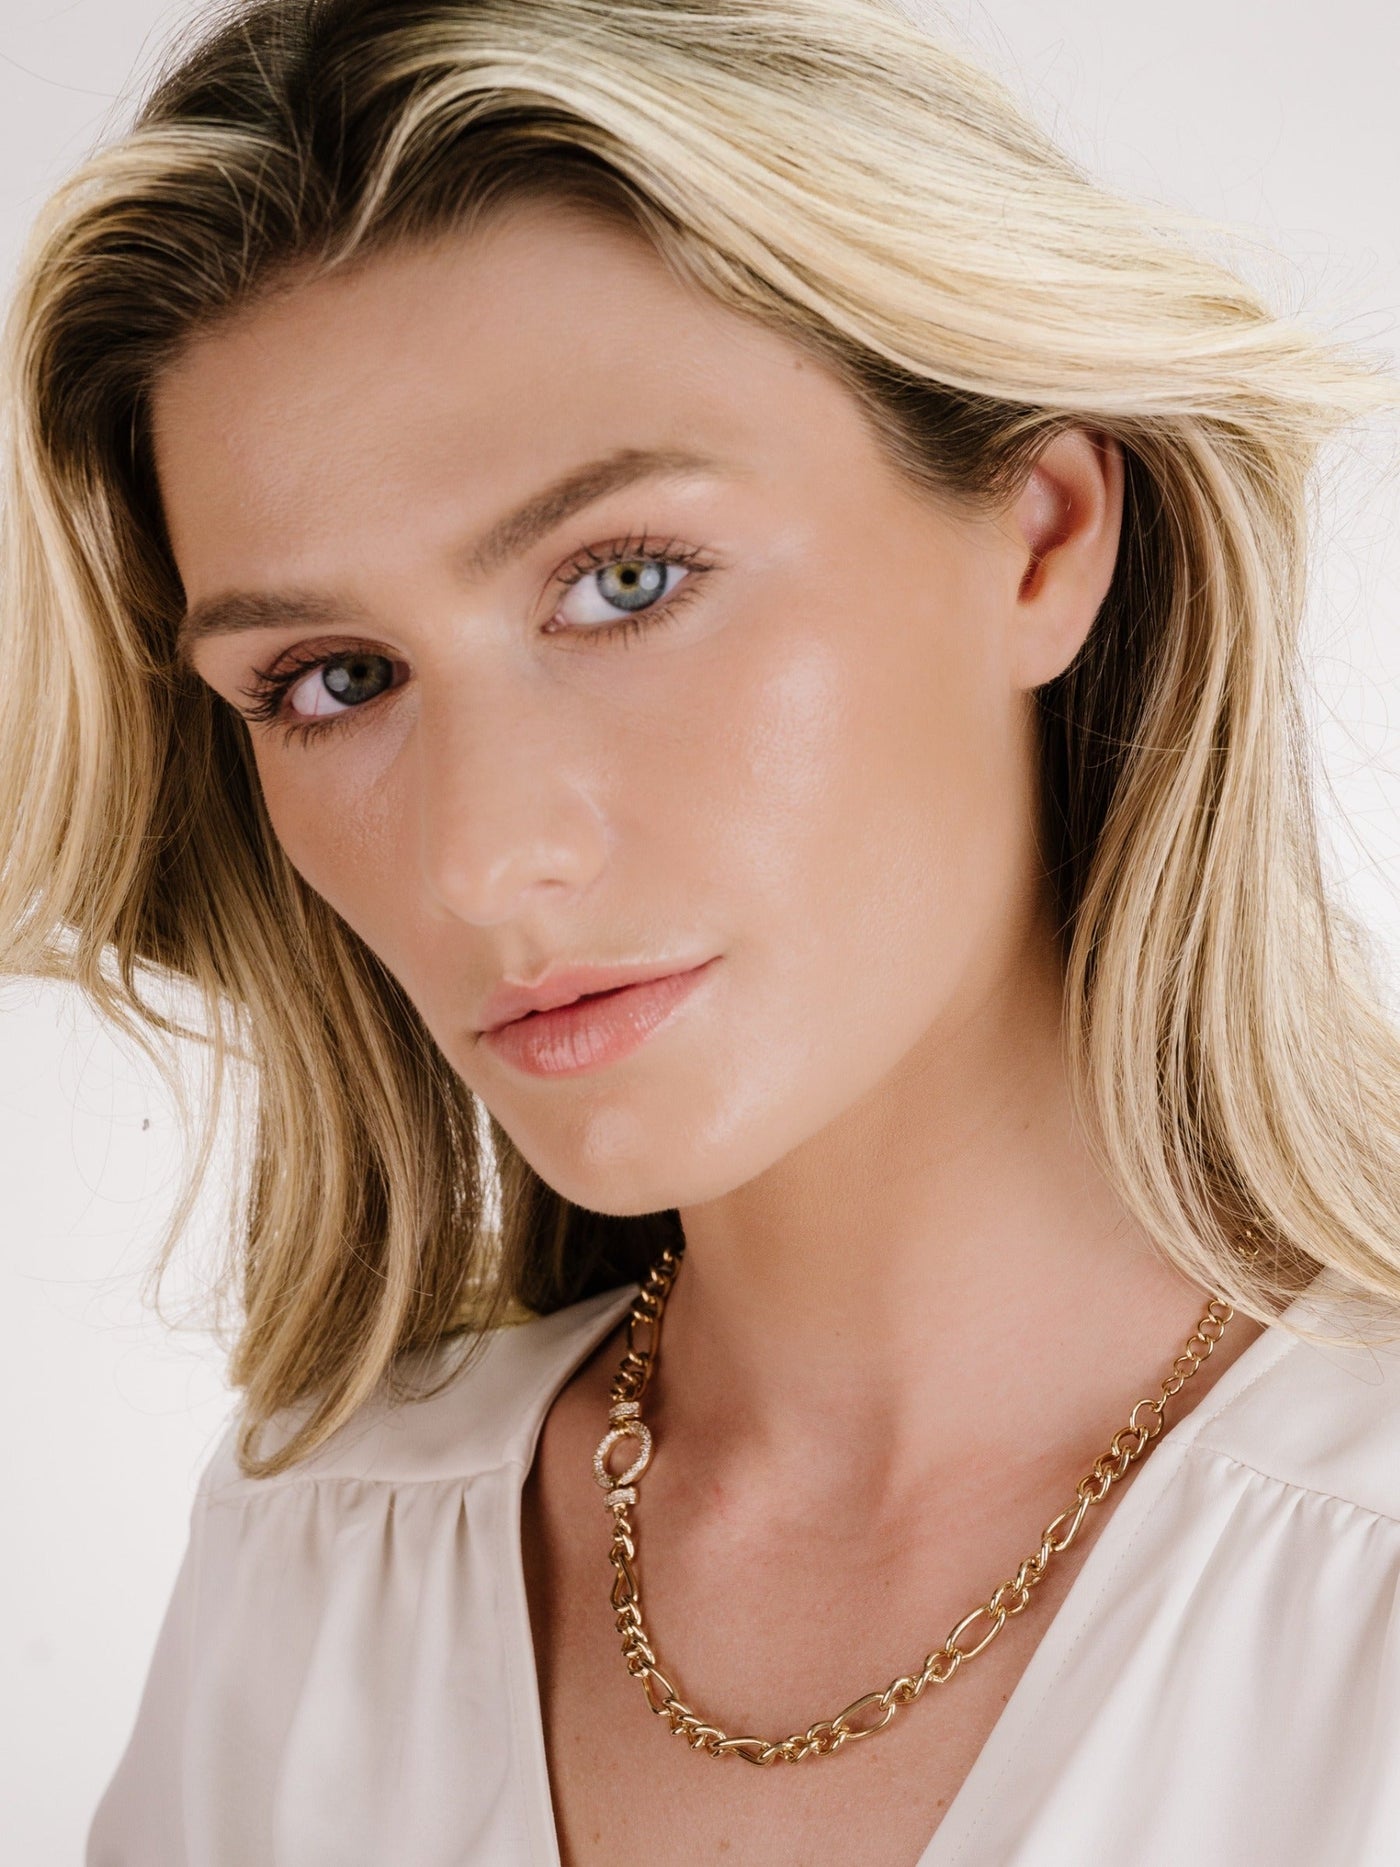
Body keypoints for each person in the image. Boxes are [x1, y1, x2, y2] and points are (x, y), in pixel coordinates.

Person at [3, 0, 1398, 1860]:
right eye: (335, 679)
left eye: (628, 580)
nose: (484, 859)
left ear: (1043, 536)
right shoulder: (325, 1561)